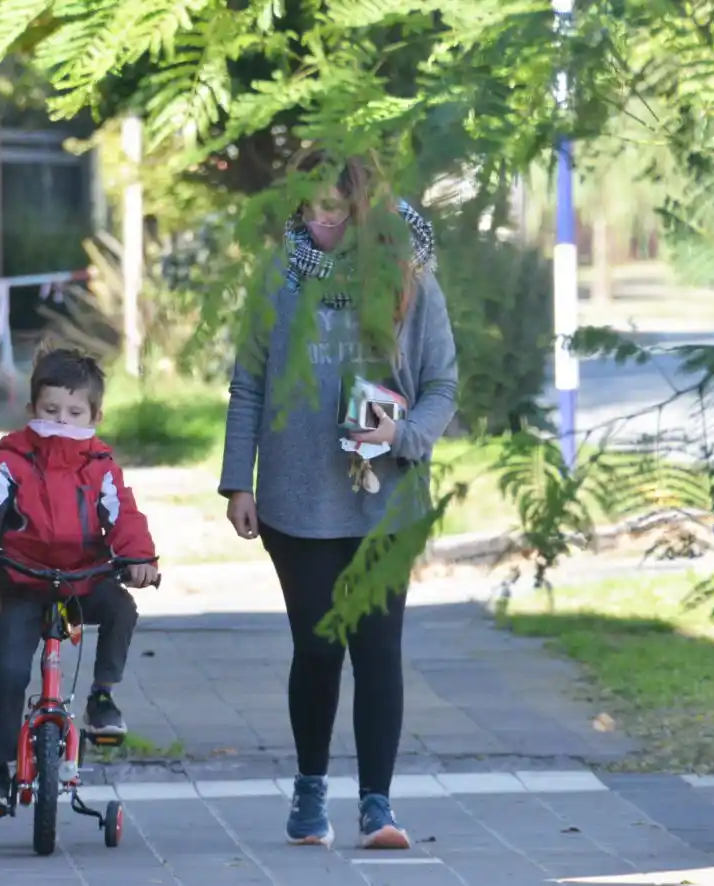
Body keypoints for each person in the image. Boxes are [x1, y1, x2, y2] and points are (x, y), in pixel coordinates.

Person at [218, 151, 459, 850]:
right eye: (308, 208)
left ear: (362, 210)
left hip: (388, 503)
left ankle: (378, 808)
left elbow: (442, 384)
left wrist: (403, 436)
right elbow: (249, 384)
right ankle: (310, 791)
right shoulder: (279, 277)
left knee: (378, 651)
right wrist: (238, 481)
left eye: (332, 209)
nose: (318, 221)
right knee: (319, 649)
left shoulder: (410, 277)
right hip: (296, 501)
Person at [0, 346, 160, 807]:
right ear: (32, 410)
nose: (61, 420)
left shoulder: (100, 466)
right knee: (6, 670)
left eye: (74, 412)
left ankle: (102, 696)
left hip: (83, 577)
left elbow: (123, 515)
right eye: (50, 410)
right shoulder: (11, 459)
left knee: (122, 609)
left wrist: (139, 559)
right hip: (25, 580)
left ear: (95, 417)